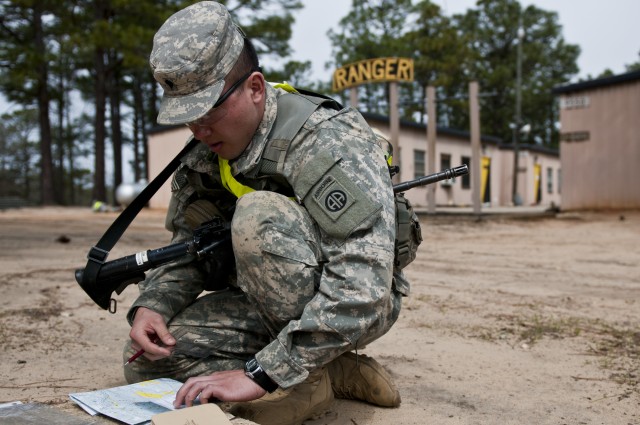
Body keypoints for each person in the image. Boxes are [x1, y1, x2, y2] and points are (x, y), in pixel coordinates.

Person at [124, 2, 413, 424]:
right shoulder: (203, 156)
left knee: (257, 213)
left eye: (209, 111)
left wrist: (263, 373)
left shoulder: (325, 141)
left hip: (359, 300)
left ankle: (301, 375)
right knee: (146, 364)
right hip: (261, 299)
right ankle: (330, 366)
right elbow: (189, 247)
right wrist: (153, 304)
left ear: (255, 88)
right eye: (188, 117)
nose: (199, 130)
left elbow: (362, 286)